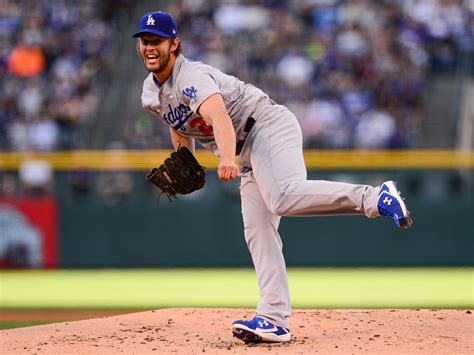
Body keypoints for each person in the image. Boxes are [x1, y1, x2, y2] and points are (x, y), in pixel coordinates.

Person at [133, 11, 413, 344]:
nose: (149, 47)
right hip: (247, 151)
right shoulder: (150, 95)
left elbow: (218, 115)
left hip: (265, 126)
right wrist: (187, 160)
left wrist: (225, 158)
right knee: (258, 232)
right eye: (145, 41)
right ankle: (274, 319)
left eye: (157, 41)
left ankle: (374, 196)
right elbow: (179, 125)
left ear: (174, 44)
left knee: (284, 196)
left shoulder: (191, 75)